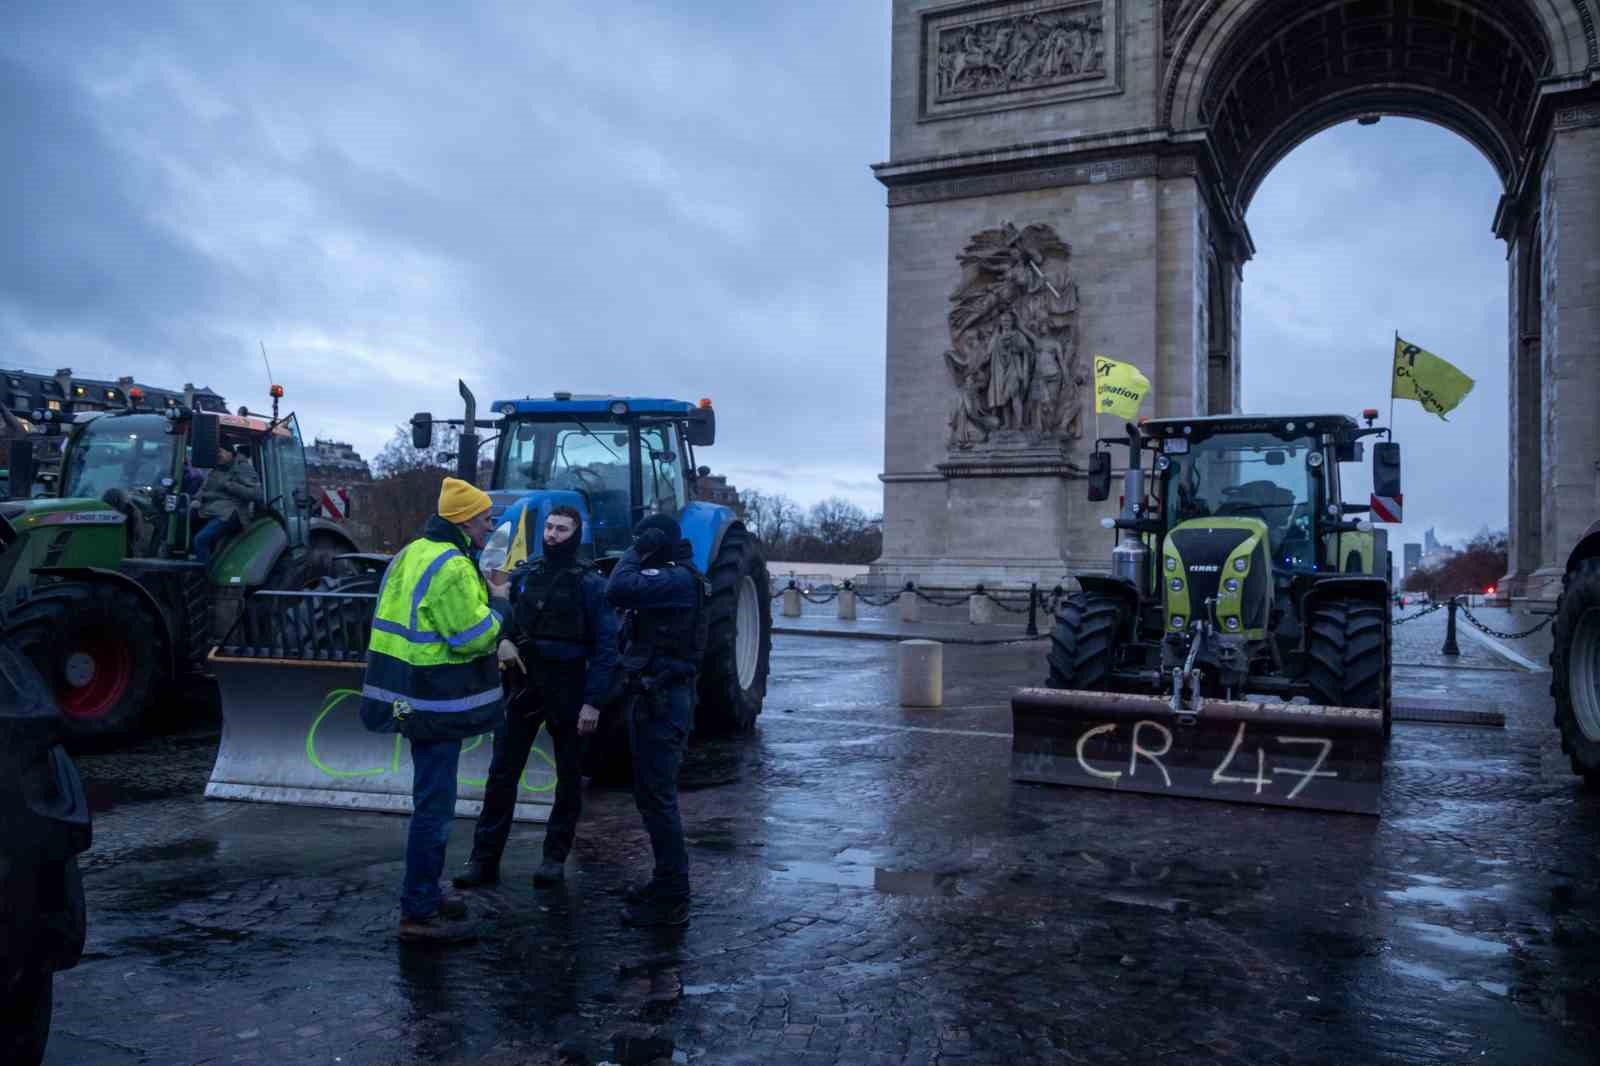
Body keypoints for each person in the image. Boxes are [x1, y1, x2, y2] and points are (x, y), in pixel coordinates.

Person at [361, 476, 509, 942]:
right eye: (486, 518)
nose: (491, 525)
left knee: (431, 802)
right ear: (465, 520)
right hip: (435, 701)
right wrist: (500, 603)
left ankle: (425, 890)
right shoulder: (453, 567)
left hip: (406, 692)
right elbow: (472, 636)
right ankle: (418, 910)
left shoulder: (412, 552)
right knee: (434, 808)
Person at [453, 505, 619, 891]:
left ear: (576, 533)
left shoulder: (590, 583)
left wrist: (593, 701)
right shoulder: (527, 574)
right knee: (501, 775)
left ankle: (553, 858)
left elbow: (606, 645)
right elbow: (507, 620)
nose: (552, 534)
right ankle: (483, 860)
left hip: (570, 686)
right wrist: (504, 640)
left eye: (562, 529)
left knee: (568, 778)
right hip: (524, 683)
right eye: (549, 527)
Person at [605, 513, 707, 927]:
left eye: (643, 538)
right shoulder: (670, 575)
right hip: (653, 696)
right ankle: (664, 882)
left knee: (660, 799)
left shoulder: (677, 579)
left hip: (664, 700)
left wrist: (635, 548)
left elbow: (617, 587)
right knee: (650, 797)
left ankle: (673, 896)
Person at [192, 445, 261, 565]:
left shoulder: (243, 468)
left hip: (230, 513)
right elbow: (204, 488)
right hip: (212, 509)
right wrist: (197, 499)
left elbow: (255, 494)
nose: (217, 455)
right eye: (215, 452)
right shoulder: (217, 468)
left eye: (220, 451)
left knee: (200, 540)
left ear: (230, 452)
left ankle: (204, 577)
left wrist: (229, 485)